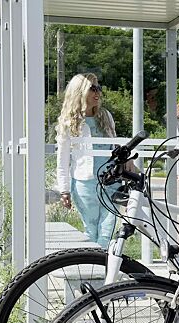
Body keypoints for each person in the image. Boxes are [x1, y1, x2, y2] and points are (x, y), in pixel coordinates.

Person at [55, 73, 121, 248]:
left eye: (98, 88)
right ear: (80, 91)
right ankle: (93, 263)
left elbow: (114, 146)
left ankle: (104, 262)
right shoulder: (69, 122)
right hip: (84, 183)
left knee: (107, 230)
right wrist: (64, 190)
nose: (97, 92)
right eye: (92, 88)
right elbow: (62, 160)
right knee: (90, 230)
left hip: (110, 180)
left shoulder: (105, 116)